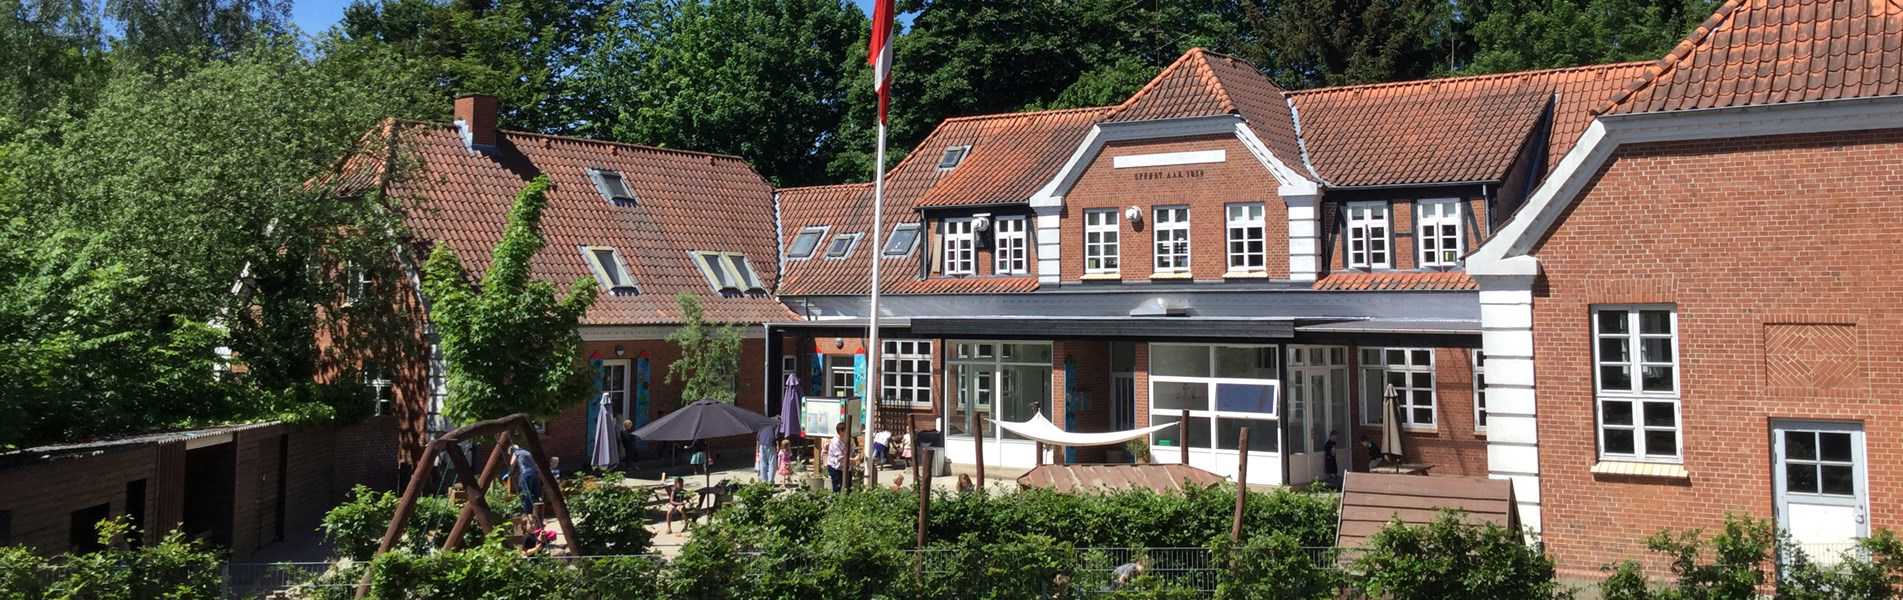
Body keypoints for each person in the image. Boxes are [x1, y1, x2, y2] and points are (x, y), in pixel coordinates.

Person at [510, 444, 541, 515]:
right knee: (535, 492)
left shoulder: (516, 453)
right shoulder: (527, 452)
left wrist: (510, 473)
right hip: (535, 473)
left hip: (525, 474)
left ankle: (528, 512)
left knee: (526, 492)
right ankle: (537, 511)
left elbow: (512, 464)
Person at [826, 422, 848, 492]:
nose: (848, 432)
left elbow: (854, 450)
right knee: (837, 487)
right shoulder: (835, 441)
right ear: (841, 432)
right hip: (834, 466)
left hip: (845, 466)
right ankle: (836, 497)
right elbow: (840, 457)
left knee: (848, 486)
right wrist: (853, 460)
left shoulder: (849, 439)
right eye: (846, 431)